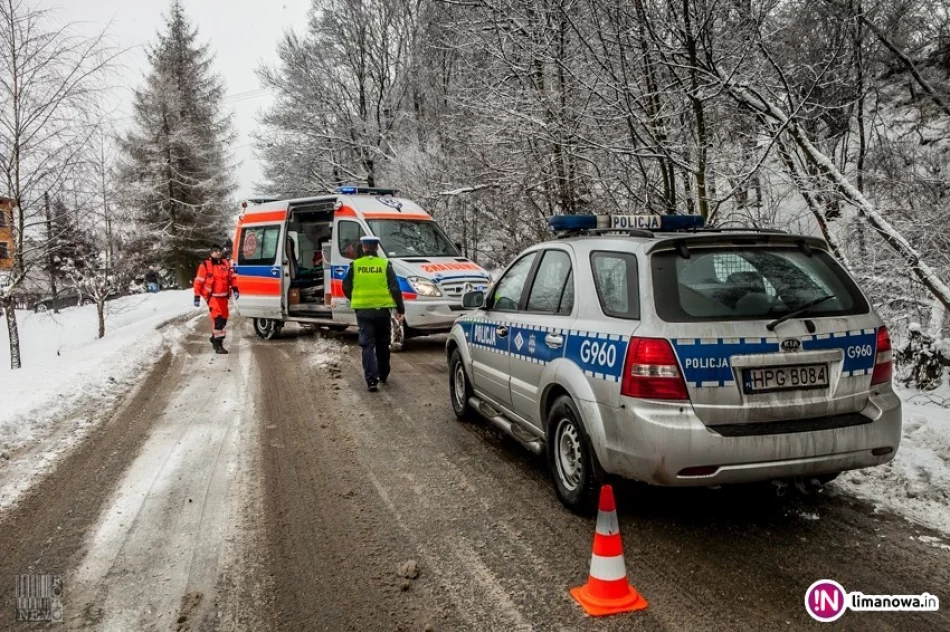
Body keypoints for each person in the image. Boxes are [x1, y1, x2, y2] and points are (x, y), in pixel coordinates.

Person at [342, 236, 405, 392]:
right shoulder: (385, 265)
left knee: (367, 345)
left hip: (363, 312)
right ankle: (383, 374)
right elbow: (395, 288)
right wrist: (400, 309)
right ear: (377, 248)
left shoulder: (355, 265)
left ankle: (371, 380)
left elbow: (346, 287)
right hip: (382, 311)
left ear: (363, 247)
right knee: (383, 343)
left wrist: (355, 298)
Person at [193, 244, 239, 354]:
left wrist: (235, 288)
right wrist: (197, 296)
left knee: (223, 321)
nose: (218, 252)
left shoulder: (226, 264)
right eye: (215, 251)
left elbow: (232, 277)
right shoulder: (205, 265)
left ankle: (214, 338)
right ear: (211, 252)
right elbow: (198, 281)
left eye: (219, 250)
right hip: (212, 297)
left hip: (223, 297)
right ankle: (218, 345)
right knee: (218, 320)